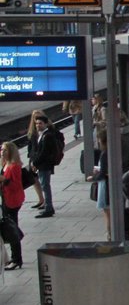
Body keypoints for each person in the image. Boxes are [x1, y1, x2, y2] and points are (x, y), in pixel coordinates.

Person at [29, 114, 63, 218]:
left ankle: (49, 208)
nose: (38, 125)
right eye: (36, 123)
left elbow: (44, 152)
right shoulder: (41, 135)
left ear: (46, 124)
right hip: (41, 165)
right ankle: (48, 207)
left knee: (45, 186)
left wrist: (35, 163)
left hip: (45, 165)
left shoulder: (47, 136)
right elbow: (36, 150)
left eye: (40, 123)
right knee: (45, 185)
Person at [1, 141, 26, 270]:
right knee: (11, 229)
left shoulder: (14, 166)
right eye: (1, 149)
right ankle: (14, 257)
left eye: (5, 150)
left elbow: (16, 185)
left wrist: (4, 180)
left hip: (12, 201)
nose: (2, 152)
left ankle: (17, 259)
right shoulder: (5, 164)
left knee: (12, 230)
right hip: (5, 200)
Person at [24, 110, 46, 208]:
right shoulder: (32, 130)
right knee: (34, 179)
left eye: (38, 117)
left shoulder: (45, 129)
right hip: (33, 158)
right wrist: (30, 155)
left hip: (41, 158)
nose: (36, 120)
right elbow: (30, 143)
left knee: (43, 181)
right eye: (34, 118)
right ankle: (41, 199)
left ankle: (46, 201)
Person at [92, 130, 111, 239]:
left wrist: (93, 177)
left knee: (107, 212)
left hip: (105, 186)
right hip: (109, 183)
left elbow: (103, 174)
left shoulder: (104, 154)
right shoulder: (111, 150)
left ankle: (109, 234)